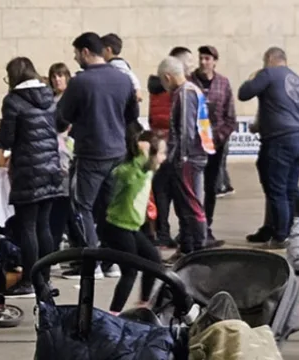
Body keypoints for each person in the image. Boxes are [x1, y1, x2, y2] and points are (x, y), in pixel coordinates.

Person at [56, 32, 140, 272]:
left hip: (91, 154)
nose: (75, 58)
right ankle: (111, 261)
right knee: (109, 210)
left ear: (85, 52)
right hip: (118, 151)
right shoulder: (123, 79)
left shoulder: (80, 82)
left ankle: (90, 261)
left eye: (76, 54)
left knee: (81, 207)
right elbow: (132, 115)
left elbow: (63, 117)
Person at [0, 56, 68, 297]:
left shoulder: (13, 100)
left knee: (27, 226)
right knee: (44, 225)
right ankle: (45, 279)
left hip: (27, 169)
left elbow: (7, 139)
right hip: (50, 168)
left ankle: (29, 280)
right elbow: (59, 125)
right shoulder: (48, 96)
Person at [238, 46, 299, 249]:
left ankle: (280, 236)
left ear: (270, 59)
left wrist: (253, 78)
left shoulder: (268, 73)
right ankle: (284, 232)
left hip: (278, 140)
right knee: (289, 190)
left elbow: (244, 93)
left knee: (277, 190)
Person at [104, 127, 165, 313]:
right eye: (161, 153)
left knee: (154, 261)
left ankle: (143, 304)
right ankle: (114, 313)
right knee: (130, 271)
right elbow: (127, 176)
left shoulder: (147, 172)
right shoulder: (127, 171)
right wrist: (141, 155)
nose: (163, 158)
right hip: (117, 228)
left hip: (131, 228)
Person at [159, 56, 210, 257]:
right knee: (185, 204)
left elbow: (185, 131)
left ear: (167, 77)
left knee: (192, 203)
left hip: (189, 158)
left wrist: (180, 158)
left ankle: (199, 247)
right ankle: (188, 246)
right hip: (190, 156)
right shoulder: (189, 91)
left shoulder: (185, 94)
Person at [149, 46, 196, 248]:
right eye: (187, 64)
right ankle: (186, 238)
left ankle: (165, 233)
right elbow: (183, 128)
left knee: (162, 192)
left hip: (163, 146)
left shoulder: (160, 88)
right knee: (179, 195)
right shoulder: (181, 91)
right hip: (173, 150)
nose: (190, 68)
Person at [192, 44, 238, 245]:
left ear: (215, 62)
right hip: (193, 145)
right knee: (191, 187)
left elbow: (230, 117)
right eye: (201, 58)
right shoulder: (189, 82)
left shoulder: (223, 83)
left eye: (207, 59)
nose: (203, 62)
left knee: (210, 187)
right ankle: (191, 227)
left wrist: (217, 138)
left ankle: (206, 226)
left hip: (215, 145)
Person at [47, 62, 76, 251]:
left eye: (61, 75)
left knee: (66, 201)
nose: (57, 79)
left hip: (68, 151)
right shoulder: (50, 100)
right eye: (54, 76)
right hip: (53, 152)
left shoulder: (71, 99)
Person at [101, 33, 142, 101]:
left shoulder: (116, 63)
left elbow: (130, 76)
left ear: (108, 50)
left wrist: (137, 90)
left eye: (101, 49)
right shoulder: (116, 63)